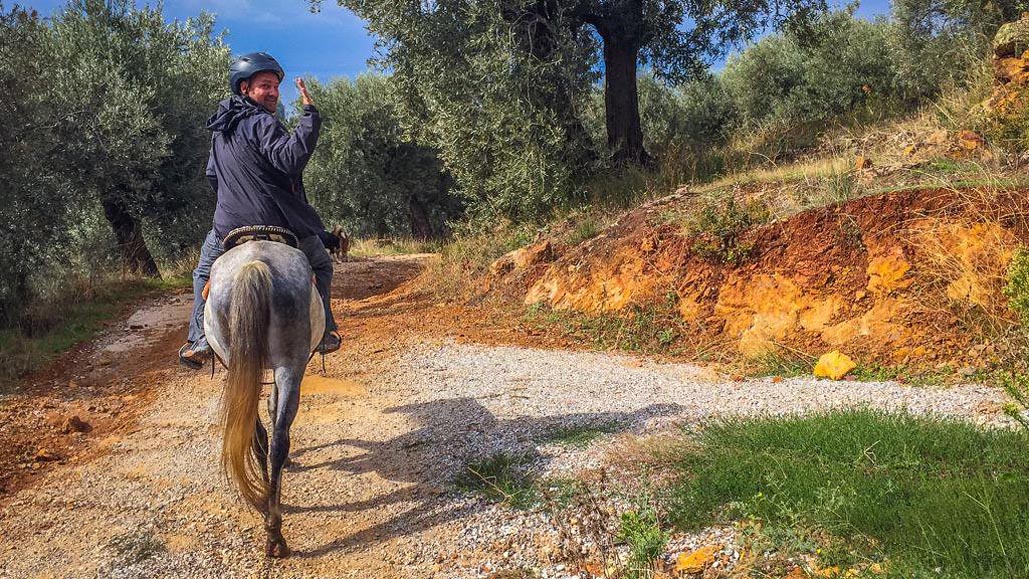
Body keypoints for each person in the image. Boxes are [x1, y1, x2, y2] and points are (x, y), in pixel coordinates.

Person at [179, 52, 340, 369]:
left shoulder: (220, 131)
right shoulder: (263, 122)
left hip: (229, 227)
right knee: (321, 265)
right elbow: (291, 158)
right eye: (265, 85)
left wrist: (235, 199)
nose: (274, 93)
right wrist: (310, 117)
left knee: (202, 273)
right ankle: (324, 333)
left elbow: (213, 176)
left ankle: (199, 339)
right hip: (276, 222)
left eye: (276, 87)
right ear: (244, 89)